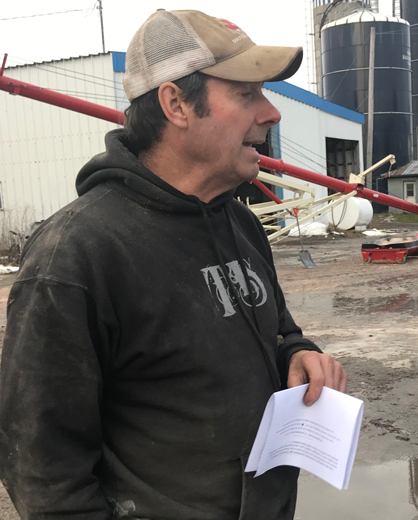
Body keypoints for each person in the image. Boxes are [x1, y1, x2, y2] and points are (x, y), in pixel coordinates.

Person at [0, 9, 346, 520]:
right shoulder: (76, 254)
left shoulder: (241, 225)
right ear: (176, 103)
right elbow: (44, 474)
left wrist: (297, 352)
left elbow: (277, 331)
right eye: (247, 93)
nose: (271, 112)